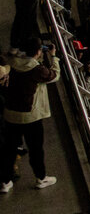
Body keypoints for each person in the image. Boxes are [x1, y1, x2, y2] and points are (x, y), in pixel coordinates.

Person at [0, 36, 57, 192]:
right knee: (36, 148)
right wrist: (53, 57)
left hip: (10, 113)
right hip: (31, 116)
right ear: (38, 52)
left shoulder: (12, 62)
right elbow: (54, 75)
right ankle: (41, 177)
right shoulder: (37, 69)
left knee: (9, 149)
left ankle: (5, 181)